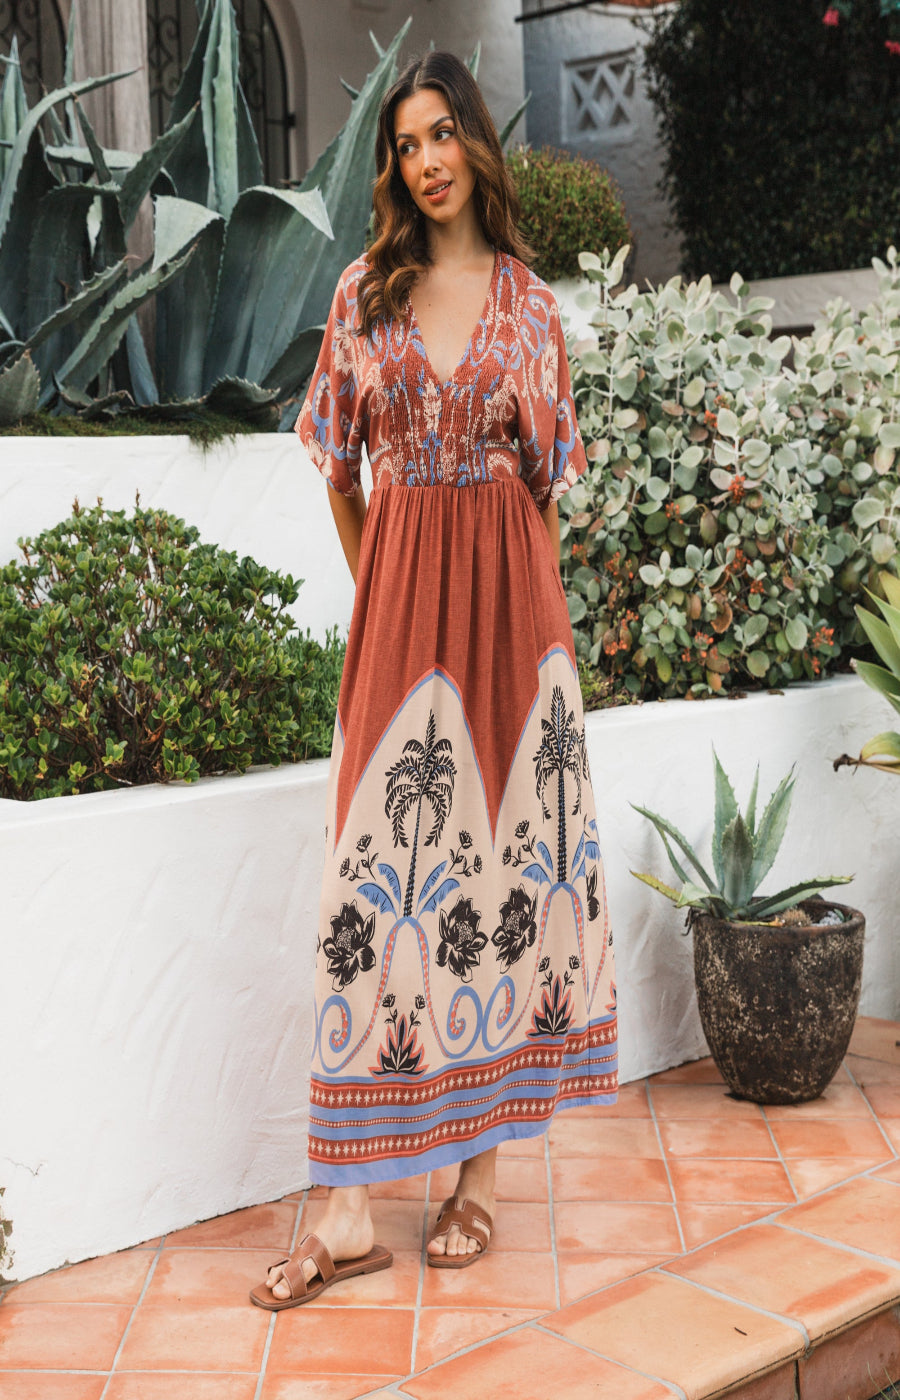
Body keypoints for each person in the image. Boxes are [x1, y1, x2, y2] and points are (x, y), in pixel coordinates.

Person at [250, 49, 617, 1311]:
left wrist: (544, 646)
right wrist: (385, 590)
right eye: (408, 142)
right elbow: (336, 469)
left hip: (519, 625)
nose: (428, 157)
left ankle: (479, 1178)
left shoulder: (530, 305)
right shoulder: (365, 293)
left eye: (446, 132)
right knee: (375, 891)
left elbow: (547, 495)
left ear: (476, 147)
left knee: (500, 882)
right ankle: (349, 1206)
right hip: (403, 617)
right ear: (394, 165)